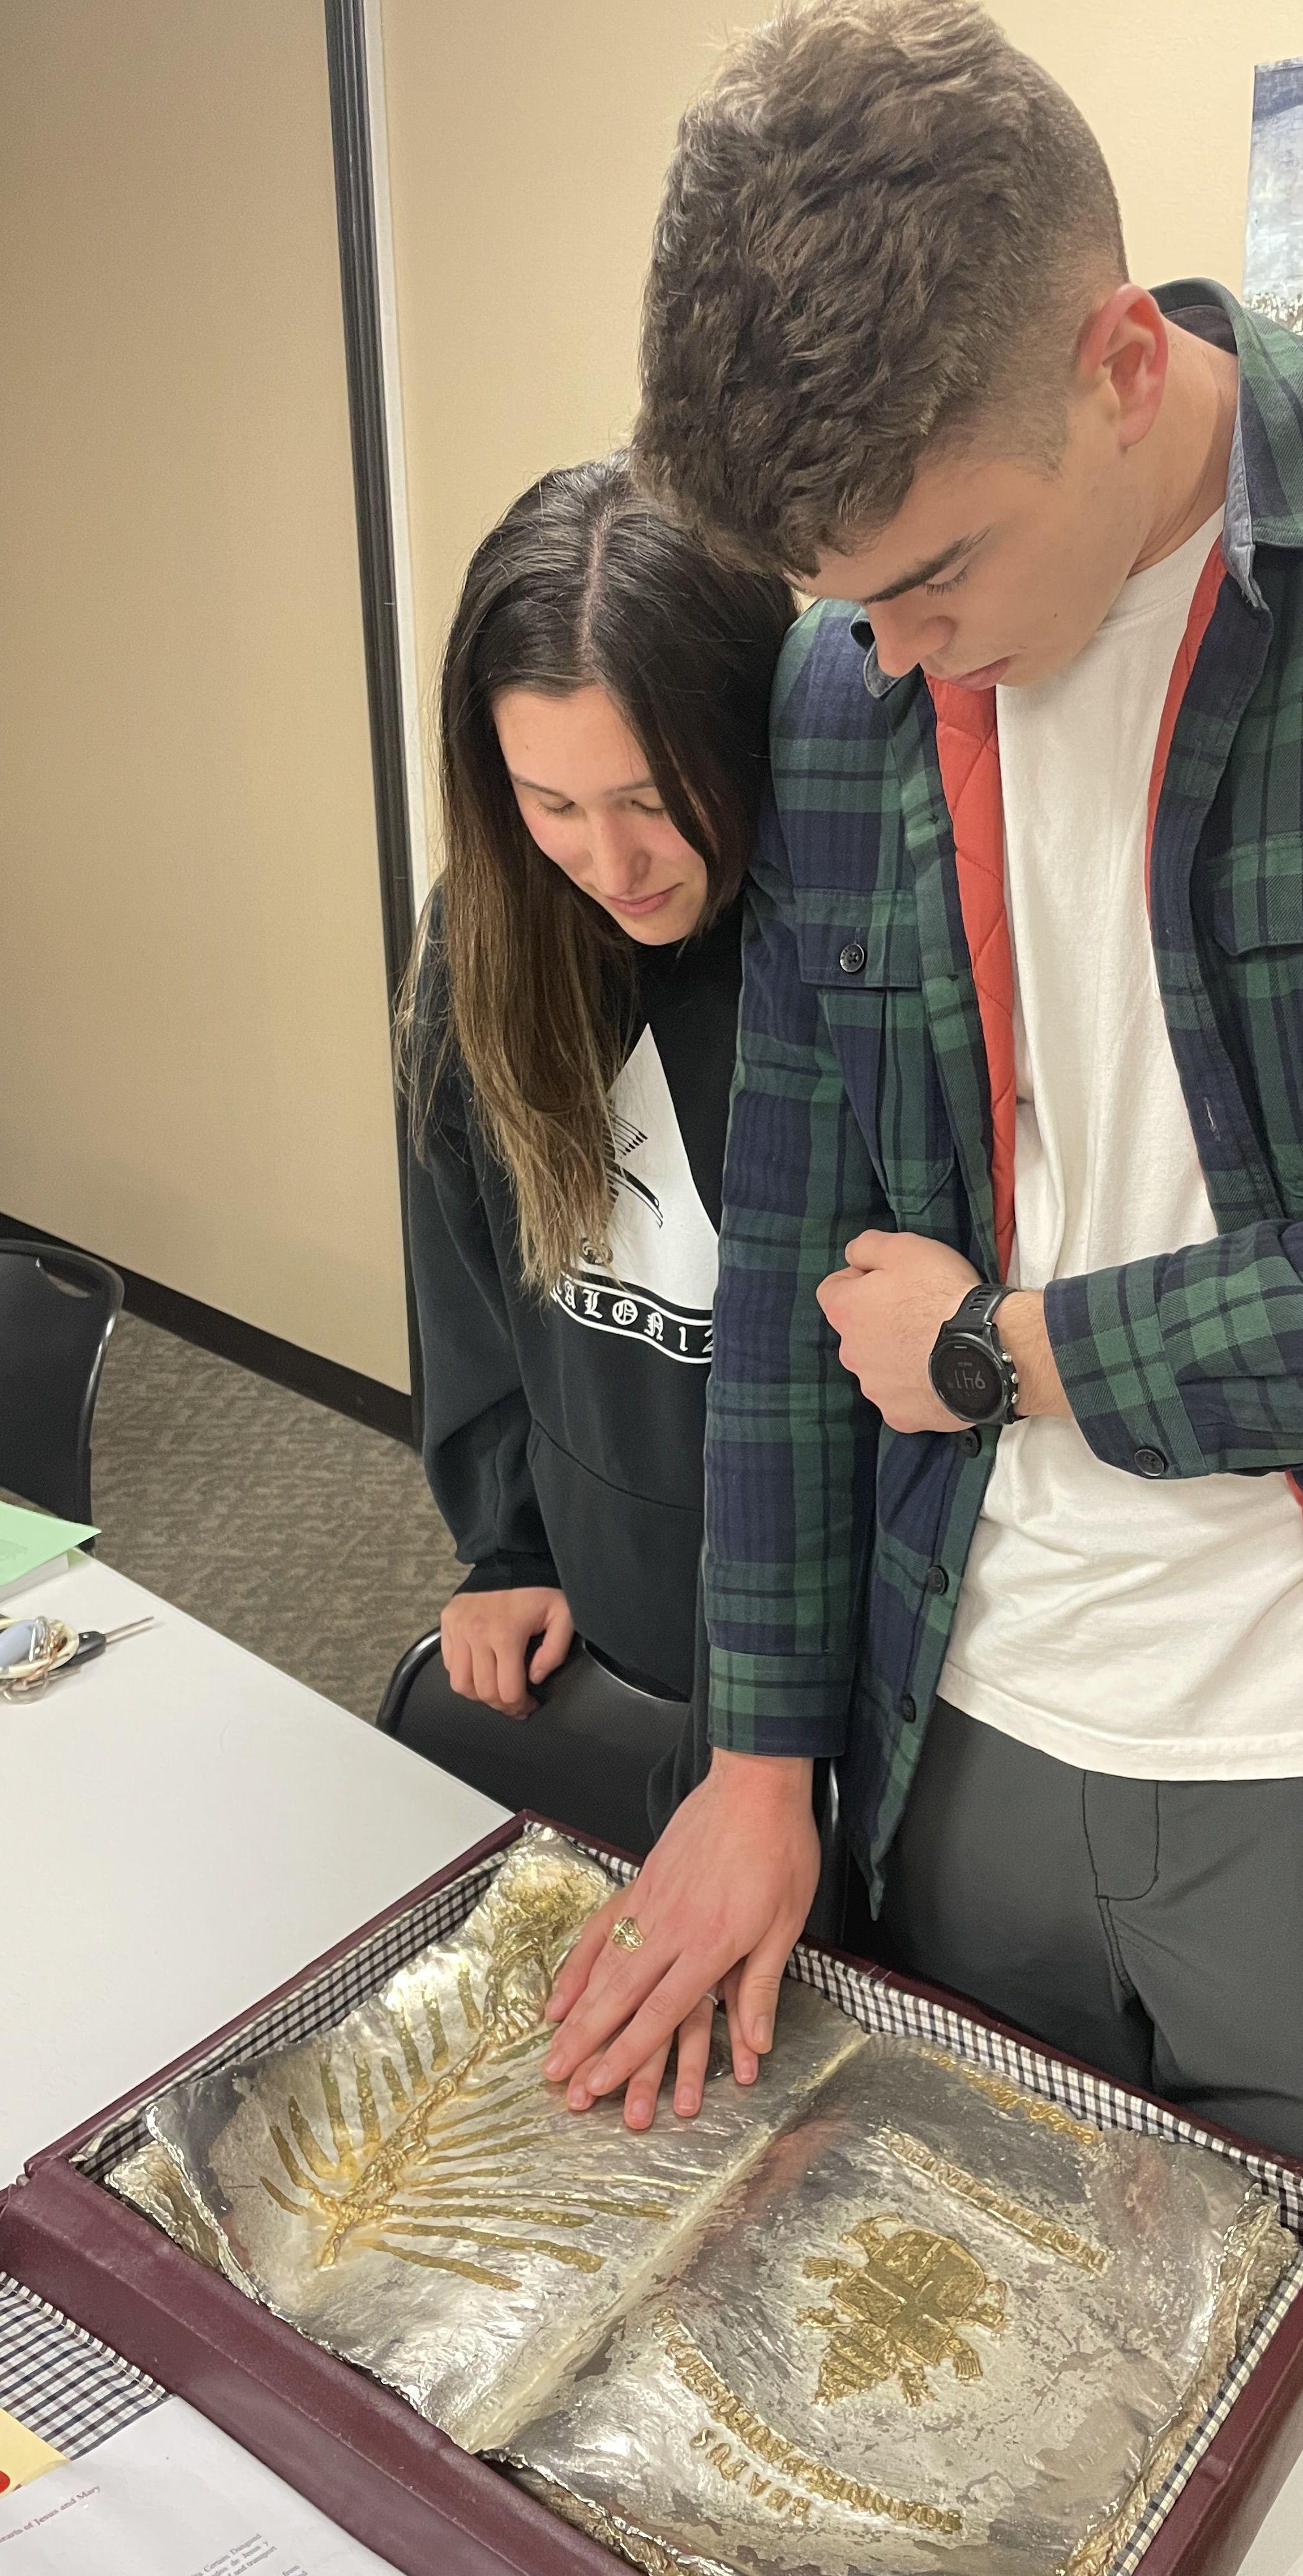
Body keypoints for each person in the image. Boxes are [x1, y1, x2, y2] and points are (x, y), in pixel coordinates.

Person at [537, 0, 1303, 2576]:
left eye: (934, 572)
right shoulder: (855, 682)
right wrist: (763, 1760)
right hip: (957, 1730)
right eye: (832, 600)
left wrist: (1025, 1349)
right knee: (975, 2429)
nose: (884, 655)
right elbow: (786, 1279)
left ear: (1122, 361)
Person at [400, 456, 793, 1862]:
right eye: (550, 804)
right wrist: (503, 1549)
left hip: (836, 1665)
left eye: (650, 796)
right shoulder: (485, 939)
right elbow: (463, 1276)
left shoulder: (835, 953)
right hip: (609, 1609)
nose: (610, 860)